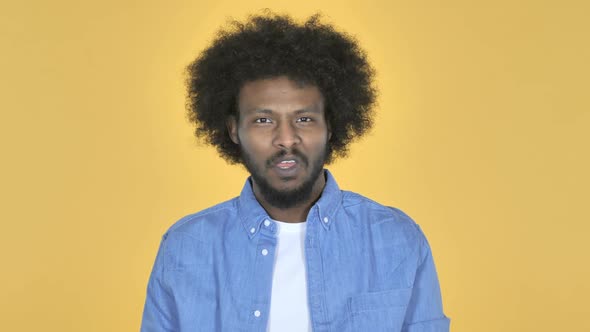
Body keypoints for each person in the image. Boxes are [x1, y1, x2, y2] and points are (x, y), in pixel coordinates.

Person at [141, 12, 450, 332]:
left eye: (304, 119)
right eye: (263, 120)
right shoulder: (185, 247)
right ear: (234, 129)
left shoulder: (396, 239)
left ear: (331, 125)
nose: (286, 139)